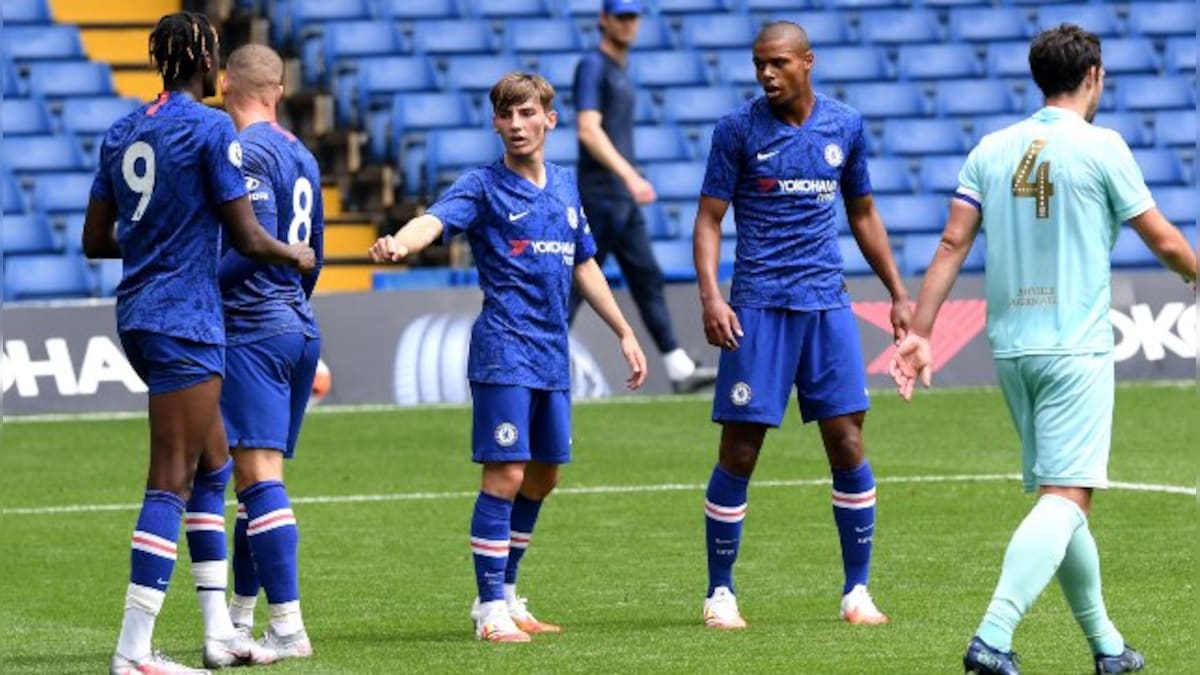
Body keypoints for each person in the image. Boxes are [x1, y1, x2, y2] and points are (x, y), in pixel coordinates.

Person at [889, 24, 1196, 675]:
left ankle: (1108, 647)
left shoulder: (991, 149)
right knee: (1067, 497)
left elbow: (950, 245)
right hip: (1075, 347)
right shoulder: (1102, 146)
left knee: (1063, 496)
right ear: (1094, 77)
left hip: (1012, 349)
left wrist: (919, 330)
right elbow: (1163, 237)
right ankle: (993, 635)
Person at [368, 72, 648, 643]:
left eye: (527, 114)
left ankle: (509, 592)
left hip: (551, 352)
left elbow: (583, 263)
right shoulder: (482, 186)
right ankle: (489, 607)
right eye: (506, 115)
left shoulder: (566, 187)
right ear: (495, 123)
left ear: (550, 118)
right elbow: (435, 220)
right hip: (503, 348)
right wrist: (401, 240)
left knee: (543, 476)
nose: (516, 125)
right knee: (507, 474)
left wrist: (623, 329)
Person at [81, 12, 315, 675]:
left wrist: (157, 232)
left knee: (215, 466)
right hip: (186, 319)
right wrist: (291, 253)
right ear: (207, 60)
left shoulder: (122, 129)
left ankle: (219, 634)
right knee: (171, 480)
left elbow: (95, 240)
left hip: (139, 313)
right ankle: (132, 650)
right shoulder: (212, 127)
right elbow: (245, 237)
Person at [692, 22, 910, 630]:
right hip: (757, 305)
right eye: (759, 63)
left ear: (807, 62)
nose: (766, 74)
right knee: (741, 448)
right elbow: (709, 219)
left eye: (779, 63)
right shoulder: (736, 130)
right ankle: (720, 592)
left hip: (827, 305)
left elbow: (863, 213)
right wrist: (712, 296)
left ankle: (857, 591)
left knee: (847, 441)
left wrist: (897, 291)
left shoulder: (846, 125)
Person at [217, 44, 324, 662]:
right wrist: (294, 304)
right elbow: (315, 255)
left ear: (226, 82)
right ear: (279, 91)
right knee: (257, 483)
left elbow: (252, 245)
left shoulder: (247, 151)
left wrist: (198, 291)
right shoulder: (303, 155)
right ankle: (239, 618)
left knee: (258, 482)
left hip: (254, 327)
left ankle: (287, 626)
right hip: (297, 325)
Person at [570, 0, 717, 394]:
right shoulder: (594, 66)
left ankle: (679, 367)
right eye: (620, 17)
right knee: (575, 286)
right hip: (600, 198)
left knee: (647, 279)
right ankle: (539, 364)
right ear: (603, 20)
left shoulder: (619, 70)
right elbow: (588, 129)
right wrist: (629, 176)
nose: (628, 24)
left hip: (621, 200)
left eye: (633, 17)